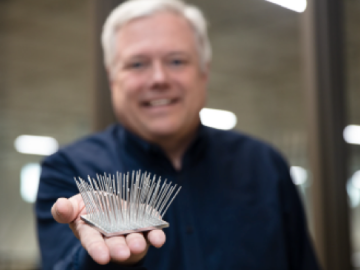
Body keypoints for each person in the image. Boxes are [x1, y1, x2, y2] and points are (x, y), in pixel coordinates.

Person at [35, 0, 321, 269]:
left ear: (204, 71)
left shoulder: (266, 166)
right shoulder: (68, 171)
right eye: (137, 64)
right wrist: (102, 262)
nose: (159, 78)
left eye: (176, 61)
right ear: (112, 77)